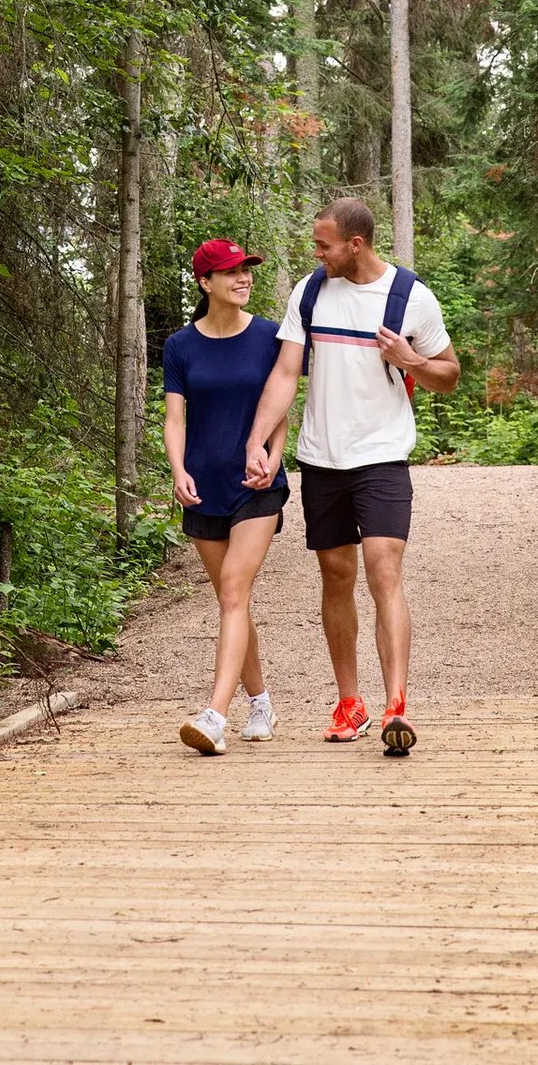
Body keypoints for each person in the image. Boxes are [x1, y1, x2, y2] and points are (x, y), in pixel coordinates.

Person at [244, 198, 460, 757]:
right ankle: (350, 703)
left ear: (355, 244)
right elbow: (287, 371)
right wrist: (260, 442)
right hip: (321, 459)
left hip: (383, 455)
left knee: (383, 569)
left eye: (324, 245)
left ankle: (396, 707)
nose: (317, 253)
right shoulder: (310, 292)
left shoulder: (410, 296)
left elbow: (449, 376)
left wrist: (410, 360)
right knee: (336, 576)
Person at [164, 239, 292, 756]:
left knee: (235, 592)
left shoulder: (269, 336)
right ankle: (261, 702)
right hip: (203, 487)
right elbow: (175, 419)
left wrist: (275, 459)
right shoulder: (180, 345)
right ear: (205, 283)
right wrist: (177, 471)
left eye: (247, 271)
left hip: (257, 487)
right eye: (231, 273)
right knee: (231, 602)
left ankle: (214, 715)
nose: (244, 279)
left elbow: (281, 406)